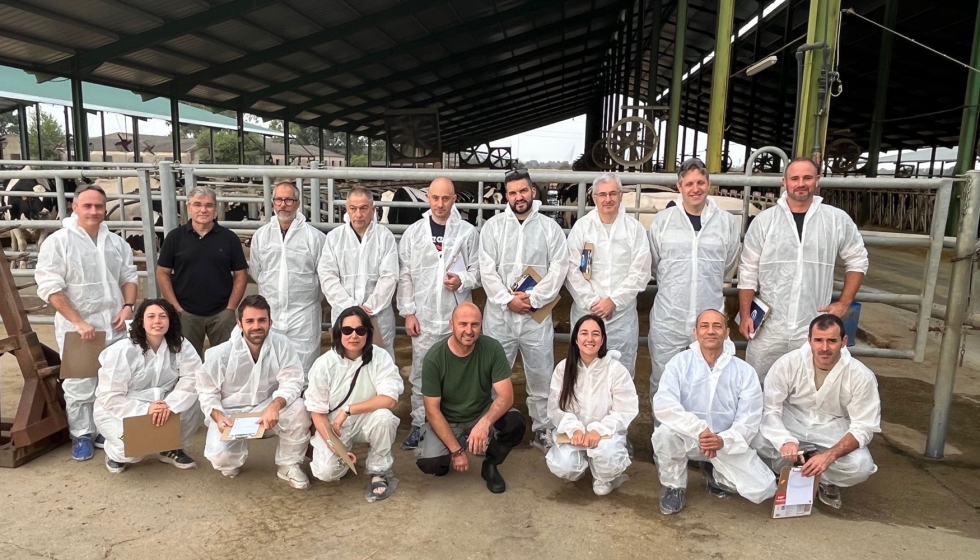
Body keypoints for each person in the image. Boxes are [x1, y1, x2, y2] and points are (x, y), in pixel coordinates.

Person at [738, 157, 869, 380]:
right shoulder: (765, 221)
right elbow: (748, 269)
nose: (801, 183)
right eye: (795, 178)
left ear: (817, 180)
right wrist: (744, 314)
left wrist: (844, 303)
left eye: (807, 177)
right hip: (769, 326)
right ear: (784, 182)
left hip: (814, 322)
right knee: (758, 383)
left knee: (810, 385)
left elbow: (857, 259)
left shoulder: (836, 220)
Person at [35, 184, 138, 461]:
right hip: (78, 327)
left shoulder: (116, 243)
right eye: (87, 205)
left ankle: (104, 426)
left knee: (113, 379)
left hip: (114, 323)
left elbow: (129, 276)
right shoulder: (59, 242)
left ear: (105, 208)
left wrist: (128, 306)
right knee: (80, 382)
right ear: (75, 207)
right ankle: (82, 433)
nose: (94, 211)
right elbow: (50, 287)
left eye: (99, 206)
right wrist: (78, 321)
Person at [653, 309, 777, 515]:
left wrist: (722, 440)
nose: (711, 331)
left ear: (727, 332)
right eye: (704, 326)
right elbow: (664, 404)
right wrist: (700, 431)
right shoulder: (680, 363)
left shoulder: (744, 371)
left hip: (725, 443)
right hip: (689, 437)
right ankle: (674, 485)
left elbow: (749, 418)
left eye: (717, 326)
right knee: (664, 433)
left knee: (763, 488)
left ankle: (714, 472)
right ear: (695, 332)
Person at [479, 168, 568, 453]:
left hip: (535, 317)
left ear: (533, 192)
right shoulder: (493, 228)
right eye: (513, 192)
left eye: (523, 191)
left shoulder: (549, 229)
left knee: (541, 373)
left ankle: (542, 427)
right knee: (495, 373)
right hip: (500, 316)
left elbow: (559, 267)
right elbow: (486, 269)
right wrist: (508, 299)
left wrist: (533, 298)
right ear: (506, 196)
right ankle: (496, 426)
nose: (519, 197)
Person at [753, 314, 880, 509]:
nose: (824, 348)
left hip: (833, 426)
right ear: (809, 339)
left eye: (832, 341)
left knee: (860, 466)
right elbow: (770, 408)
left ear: (844, 341)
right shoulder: (788, 363)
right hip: (791, 420)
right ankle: (792, 469)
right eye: (818, 340)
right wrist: (784, 440)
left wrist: (829, 456)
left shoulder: (861, 375)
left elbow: (863, 427)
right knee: (755, 440)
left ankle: (823, 476)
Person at [397, 177, 481, 450]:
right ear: (427, 198)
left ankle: (461, 426)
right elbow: (406, 275)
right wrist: (408, 312)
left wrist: (462, 280)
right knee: (422, 373)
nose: (440, 204)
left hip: (457, 317)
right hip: (423, 316)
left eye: (446, 198)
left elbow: (479, 273)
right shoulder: (414, 233)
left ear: (454, 199)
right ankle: (421, 425)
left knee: (461, 374)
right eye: (435, 198)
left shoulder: (467, 232)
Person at [196, 295, 312, 488]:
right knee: (221, 458)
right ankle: (232, 456)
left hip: (267, 407)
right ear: (240, 324)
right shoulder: (221, 353)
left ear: (270, 322)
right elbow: (207, 391)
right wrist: (218, 416)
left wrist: (275, 405)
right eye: (250, 321)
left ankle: (289, 464)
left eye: (262, 320)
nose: (256, 326)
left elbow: (292, 380)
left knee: (298, 407)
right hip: (231, 413)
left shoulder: (282, 345)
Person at [647, 159, 740, 399]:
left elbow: (728, 264)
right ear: (679, 187)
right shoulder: (663, 221)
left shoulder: (726, 223)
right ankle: (664, 435)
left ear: (709, 184)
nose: (695, 188)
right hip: (669, 317)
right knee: (664, 378)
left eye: (700, 182)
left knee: (708, 380)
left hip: (709, 317)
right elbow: (655, 264)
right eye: (689, 183)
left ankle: (703, 435)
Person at [415, 303, 527, 493]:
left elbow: (506, 396)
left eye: (475, 325)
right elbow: (432, 410)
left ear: (481, 325)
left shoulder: (492, 348)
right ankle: (450, 453)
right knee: (430, 463)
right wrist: (456, 451)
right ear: (451, 324)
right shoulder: (435, 357)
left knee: (514, 423)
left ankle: (490, 465)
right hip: (447, 418)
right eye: (463, 324)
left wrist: (484, 424)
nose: (469, 330)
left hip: (480, 412)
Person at [94, 299, 204, 473]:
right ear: (141, 322)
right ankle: (114, 452)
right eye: (151, 316)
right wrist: (146, 409)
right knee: (133, 453)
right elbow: (110, 395)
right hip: (124, 407)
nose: (157, 321)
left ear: (171, 320)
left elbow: (192, 379)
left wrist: (169, 405)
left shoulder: (181, 345)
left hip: (164, 404)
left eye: (163, 316)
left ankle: (170, 447)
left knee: (196, 397)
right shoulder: (123, 351)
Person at [305, 307, 404, 499]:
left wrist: (349, 410)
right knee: (326, 473)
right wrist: (334, 446)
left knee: (385, 418)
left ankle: (378, 470)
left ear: (368, 333)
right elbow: (317, 412)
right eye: (347, 330)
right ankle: (344, 458)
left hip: (367, 420)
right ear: (338, 333)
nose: (354, 336)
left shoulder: (380, 357)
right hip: (334, 427)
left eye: (360, 330)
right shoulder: (324, 364)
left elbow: (389, 399)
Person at [564, 173, 651, 377]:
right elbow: (571, 268)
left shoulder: (634, 229)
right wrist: (594, 302)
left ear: (621, 196)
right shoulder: (582, 228)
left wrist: (614, 301)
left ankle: (618, 409)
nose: (608, 199)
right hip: (587, 312)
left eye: (613, 193)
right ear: (594, 198)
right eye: (602, 194)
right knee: (583, 370)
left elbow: (640, 270)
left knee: (621, 371)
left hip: (622, 316)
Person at [546, 314, 638, 495]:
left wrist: (600, 430)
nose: (590, 339)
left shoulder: (615, 369)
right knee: (565, 467)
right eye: (584, 333)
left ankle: (605, 476)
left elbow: (625, 408)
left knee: (608, 460)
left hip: (605, 435)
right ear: (576, 339)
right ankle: (583, 460)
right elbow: (555, 408)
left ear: (602, 339)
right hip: (575, 435)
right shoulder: (563, 369)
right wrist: (575, 429)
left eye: (595, 334)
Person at [157, 185, 248, 359]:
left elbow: (241, 274)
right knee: (186, 362)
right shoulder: (175, 237)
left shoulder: (229, 238)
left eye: (209, 205)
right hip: (186, 314)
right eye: (197, 205)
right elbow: (162, 273)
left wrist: (230, 308)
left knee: (227, 360)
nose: (203, 210)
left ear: (215, 209)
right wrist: (176, 308)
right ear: (189, 207)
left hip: (222, 313)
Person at [249, 181, 326, 373]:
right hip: (271, 312)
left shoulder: (314, 237)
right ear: (273, 202)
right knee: (271, 368)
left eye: (289, 200)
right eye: (279, 200)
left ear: (298, 203)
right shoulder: (262, 236)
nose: (283, 204)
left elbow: (324, 275)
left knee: (304, 369)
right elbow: (257, 272)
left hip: (304, 314)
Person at [318, 187, 398, 358]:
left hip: (377, 316)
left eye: (363, 208)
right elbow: (327, 276)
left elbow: (389, 276)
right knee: (344, 363)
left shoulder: (384, 237)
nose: (358, 214)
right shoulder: (334, 238)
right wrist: (350, 306)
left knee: (379, 364)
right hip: (344, 314)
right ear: (347, 209)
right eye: (353, 208)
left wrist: (369, 308)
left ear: (373, 209)